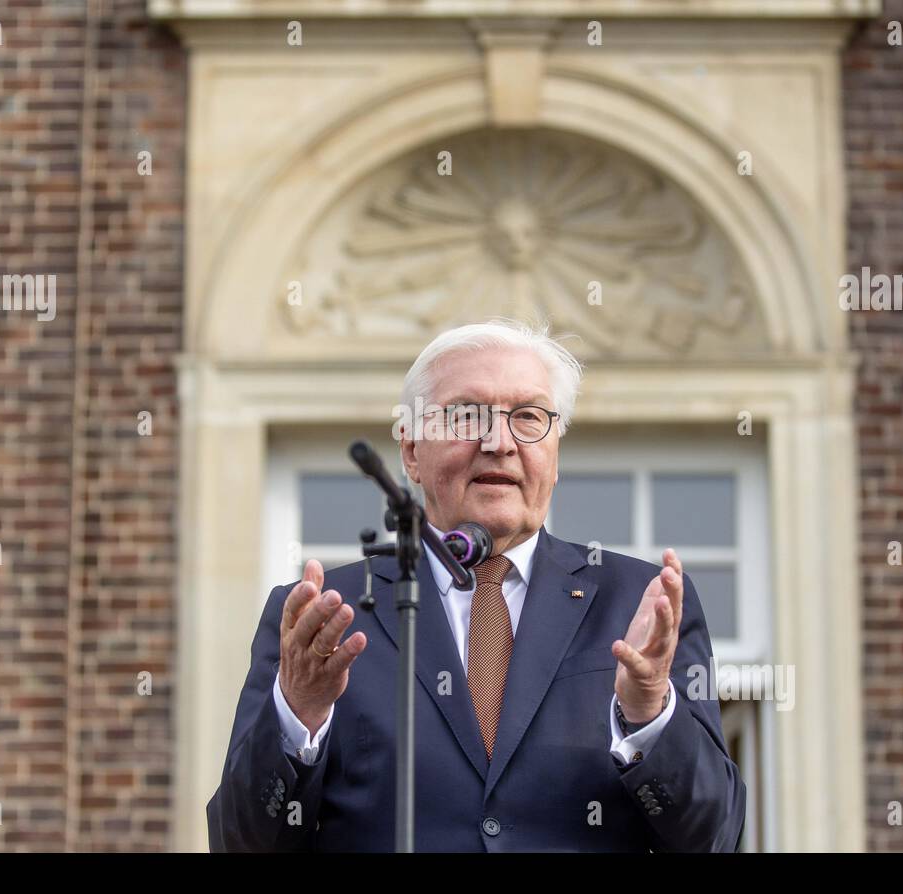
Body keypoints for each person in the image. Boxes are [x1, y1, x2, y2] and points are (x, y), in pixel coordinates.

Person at [208, 318, 746, 851]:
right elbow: (239, 841)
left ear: (555, 453)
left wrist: (649, 714)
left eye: (529, 417)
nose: (499, 442)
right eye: (467, 416)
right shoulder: (322, 619)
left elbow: (714, 836)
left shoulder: (638, 602)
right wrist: (298, 713)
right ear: (411, 451)